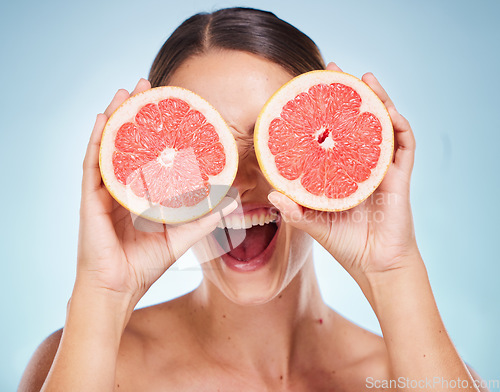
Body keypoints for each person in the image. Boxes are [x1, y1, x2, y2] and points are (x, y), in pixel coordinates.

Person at [19, 7, 487, 392]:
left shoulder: (415, 372)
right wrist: (103, 293)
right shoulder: (84, 363)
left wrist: (393, 269)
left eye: (269, 143)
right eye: (206, 152)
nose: (240, 181)